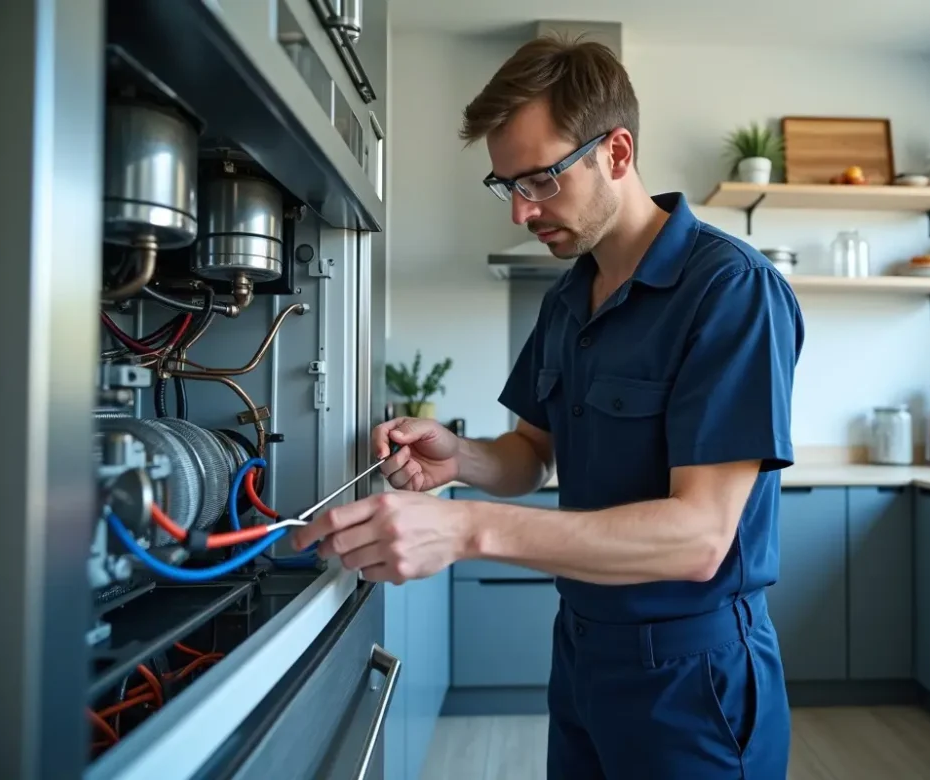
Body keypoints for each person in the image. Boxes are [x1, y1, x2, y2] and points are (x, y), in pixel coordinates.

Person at [291, 35, 805, 780]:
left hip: (694, 673)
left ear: (617, 154)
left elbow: (699, 539)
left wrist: (465, 528)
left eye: (539, 180)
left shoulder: (730, 291)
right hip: (583, 651)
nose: (522, 213)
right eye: (507, 187)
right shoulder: (568, 296)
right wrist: (460, 459)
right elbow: (532, 455)